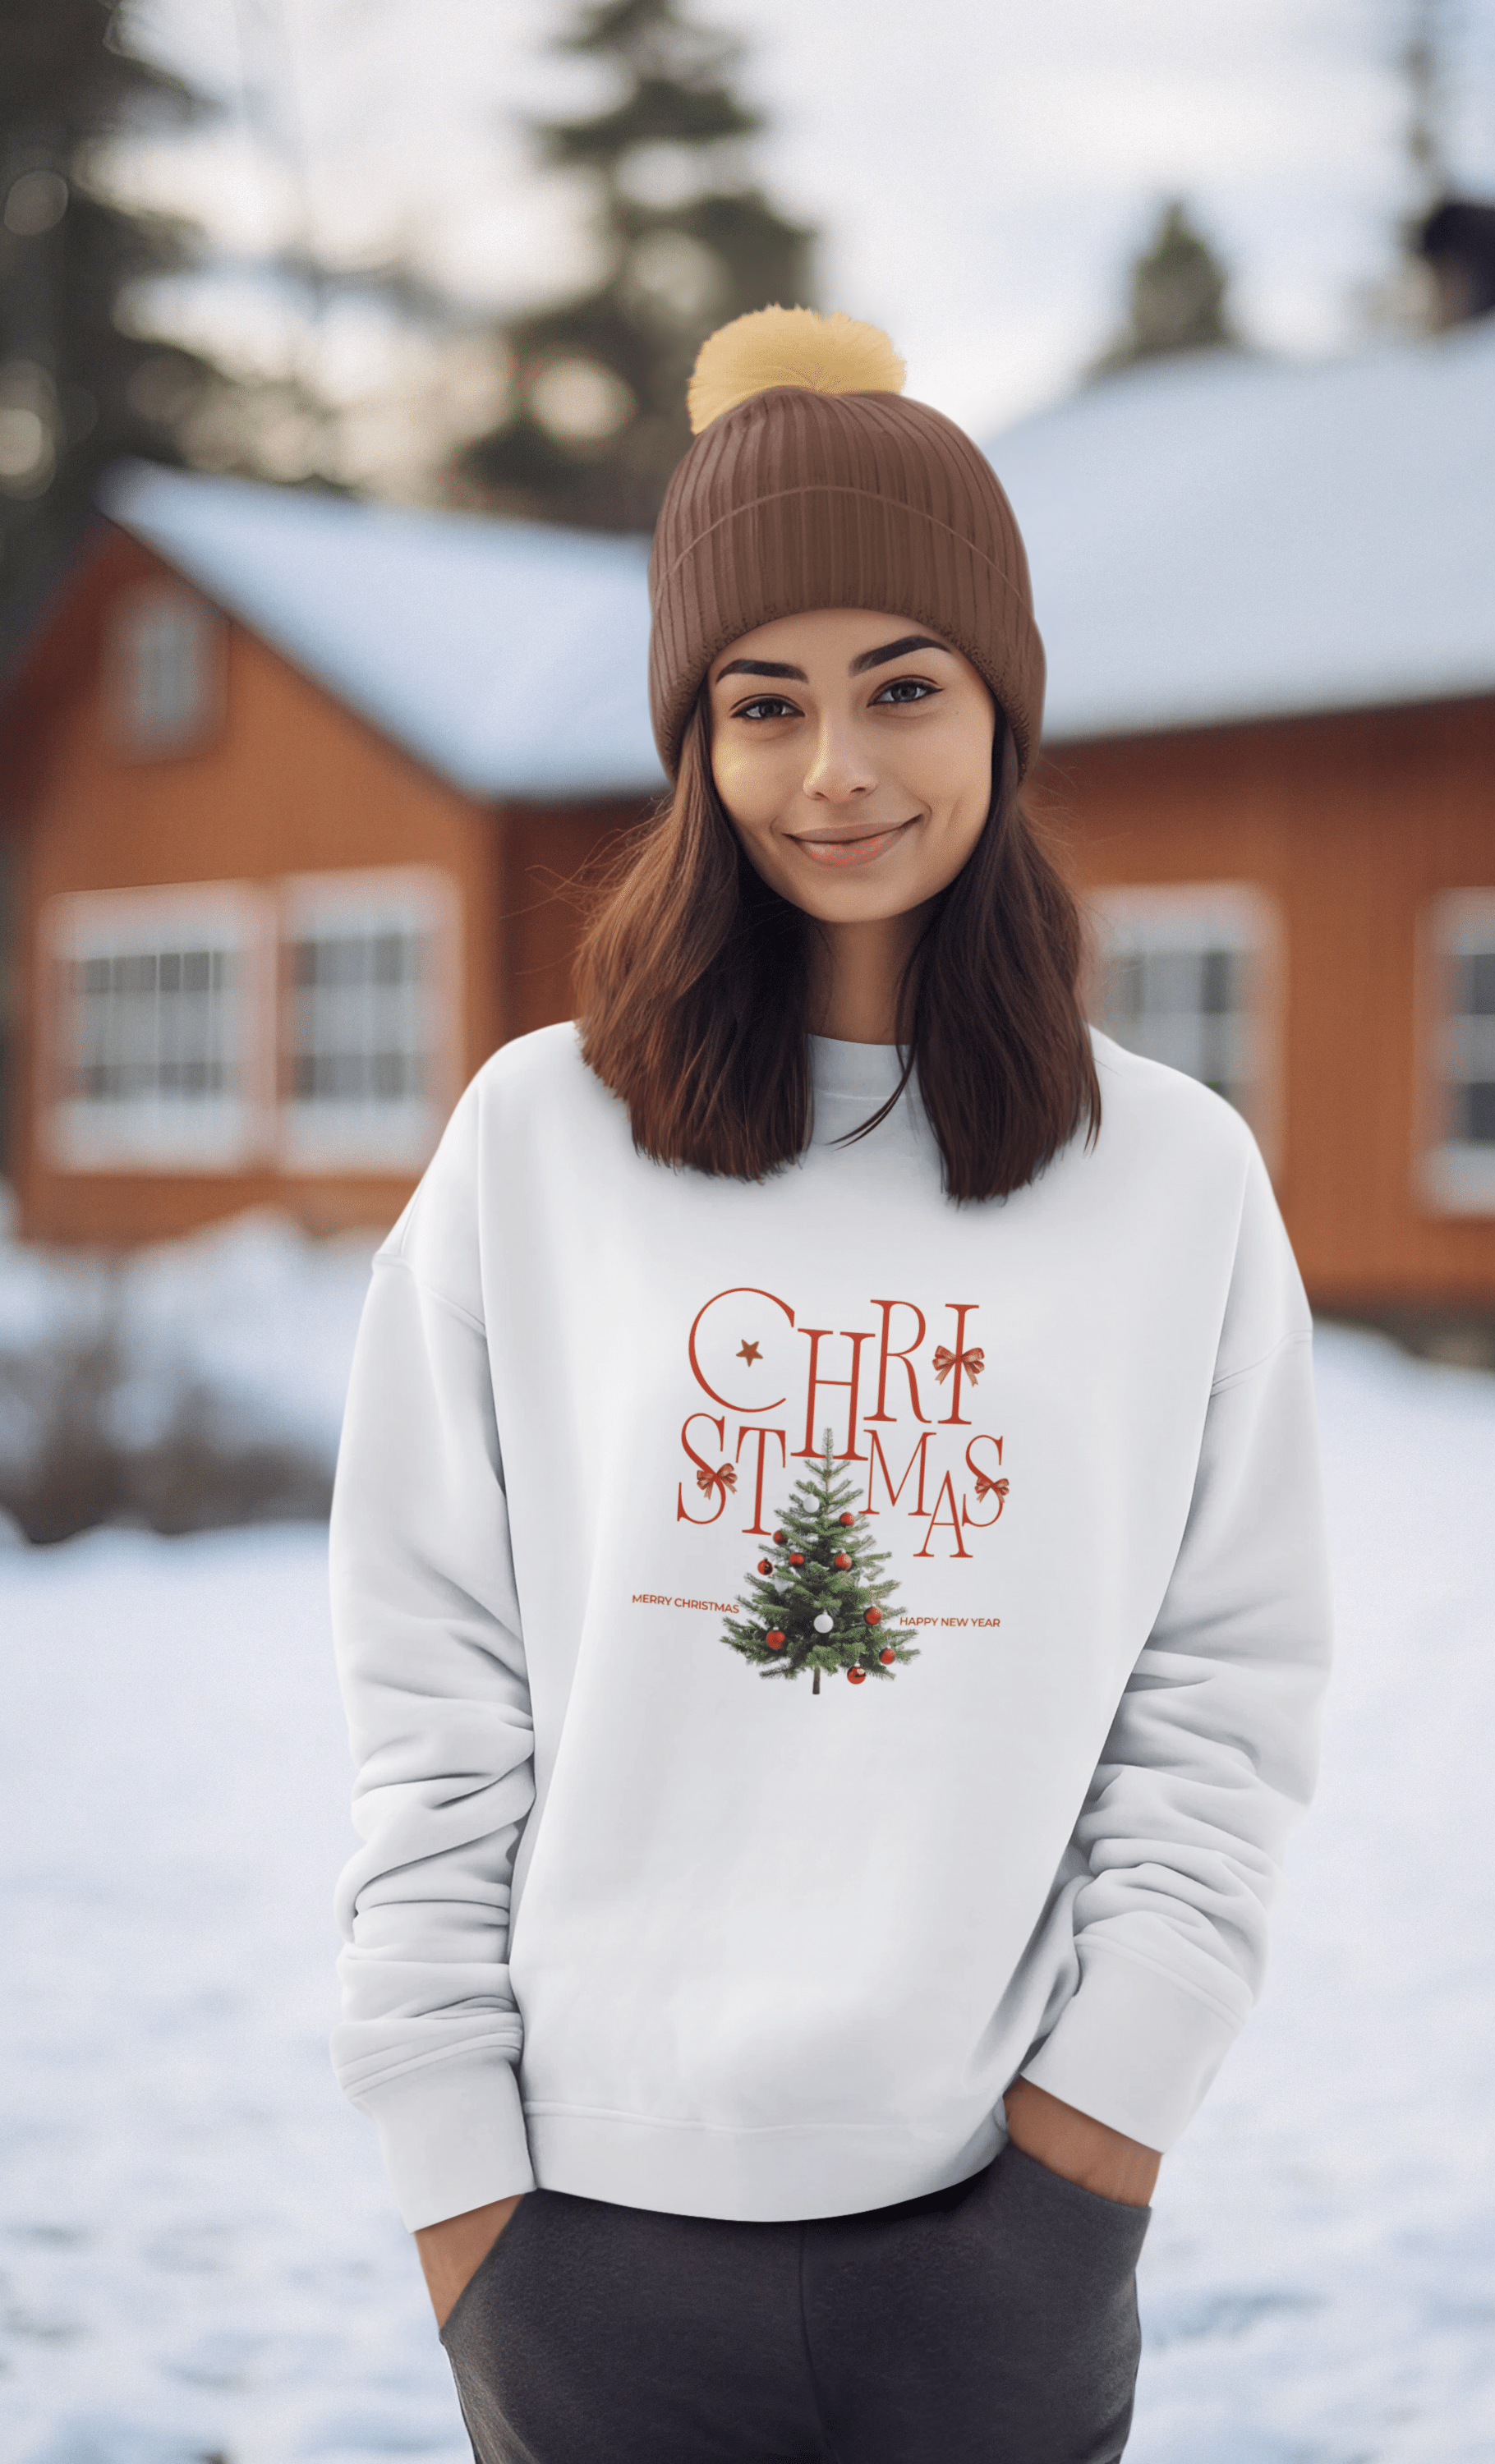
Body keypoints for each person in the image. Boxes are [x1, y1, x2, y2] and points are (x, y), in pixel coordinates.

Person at [329, 306, 1332, 2464]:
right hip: (579, 2238)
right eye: (765, 705)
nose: (838, 770)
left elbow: (1222, 1702)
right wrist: (462, 2190)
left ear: (1003, 711)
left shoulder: (1164, 1180)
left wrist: (1090, 2155)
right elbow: (430, 1676)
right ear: (697, 742)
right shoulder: (540, 1139)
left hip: (996, 2241)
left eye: (905, 689)